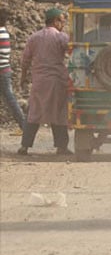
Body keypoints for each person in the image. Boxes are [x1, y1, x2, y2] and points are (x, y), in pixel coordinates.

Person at [18, 8, 72, 156]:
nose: (63, 23)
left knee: (34, 113)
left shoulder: (34, 37)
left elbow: (25, 60)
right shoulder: (61, 37)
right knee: (59, 113)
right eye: (61, 20)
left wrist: (23, 78)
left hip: (39, 82)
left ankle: (24, 146)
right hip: (56, 81)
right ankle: (61, 147)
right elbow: (73, 52)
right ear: (55, 21)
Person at [0, 9, 27, 132]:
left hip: (1, 72)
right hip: (4, 71)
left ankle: (24, 124)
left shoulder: (1, 33)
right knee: (10, 99)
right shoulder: (4, 32)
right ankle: (24, 124)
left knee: (10, 99)